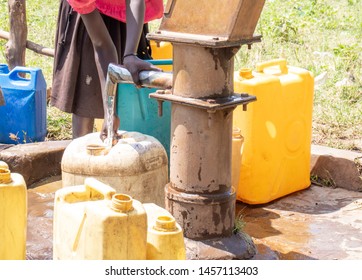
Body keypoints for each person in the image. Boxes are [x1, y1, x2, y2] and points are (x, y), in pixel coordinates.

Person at [50, 0, 164, 141]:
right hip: (89, 16)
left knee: (127, 94)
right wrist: (109, 112)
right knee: (86, 85)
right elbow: (102, 45)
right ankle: (81, 149)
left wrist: (130, 54)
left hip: (129, 16)